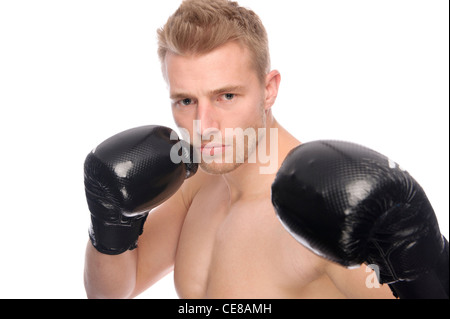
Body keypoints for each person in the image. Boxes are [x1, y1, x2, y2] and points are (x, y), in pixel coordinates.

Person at [83, 0, 399, 299]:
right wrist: (108, 221)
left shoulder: (325, 209)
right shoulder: (195, 186)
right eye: (186, 101)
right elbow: (112, 292)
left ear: (269, 89)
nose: (203, 126)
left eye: (227, 96)